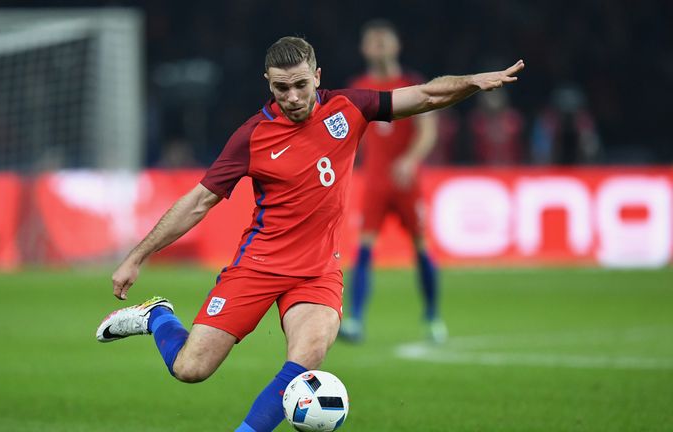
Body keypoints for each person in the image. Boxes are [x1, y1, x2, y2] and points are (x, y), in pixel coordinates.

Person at [96, 36, 523, 432]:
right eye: (282, 88)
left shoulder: (350, 107)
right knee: (191, 369)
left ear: (317, 76)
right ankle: (158, 316)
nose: (293, 98)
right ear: (269, 83)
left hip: (317, 272)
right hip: (258, 266)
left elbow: (428, 95)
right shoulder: (252, 136)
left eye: (301, 85)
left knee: (307, 356)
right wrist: (137, 256)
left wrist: (471, 82)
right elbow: (197, 202)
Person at [339, 19, 445, 344]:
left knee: (420, 246)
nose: (379, 46)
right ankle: (355, 319)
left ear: (396, 45)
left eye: (385, 40)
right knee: (364, 247)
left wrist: (410, 159)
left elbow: (429, 130)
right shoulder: (358, 86)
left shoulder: (412, 84)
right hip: (373, 182)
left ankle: (432, 317)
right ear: (364, 48)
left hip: (405, 182)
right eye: (373, 41)